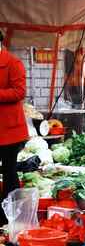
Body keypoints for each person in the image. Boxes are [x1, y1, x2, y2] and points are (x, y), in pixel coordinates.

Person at [0, 30, 29, 225]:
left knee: (9, 171)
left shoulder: (12, 62)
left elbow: (19, 92)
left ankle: (11, 217)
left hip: (10, 131)